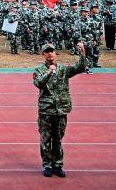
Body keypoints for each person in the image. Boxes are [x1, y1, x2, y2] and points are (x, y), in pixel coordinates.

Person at [33, 41, 87, 178]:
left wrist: (82, 51)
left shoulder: (63, 69)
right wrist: (49, 72)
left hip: (61, 110)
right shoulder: (39, 70)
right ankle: (47, 165)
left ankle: (57, 165)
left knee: (58, 139)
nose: (50, 54)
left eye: (51, 51)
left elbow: (80, 67)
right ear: (43, 54)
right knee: (46, 140)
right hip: (46, 110)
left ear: (55, 53)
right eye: (47, 52)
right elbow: (38, 83)